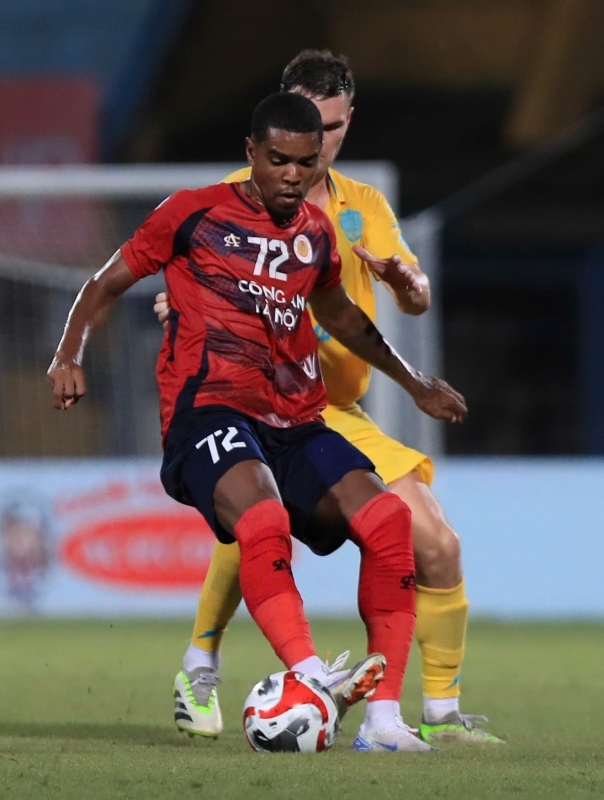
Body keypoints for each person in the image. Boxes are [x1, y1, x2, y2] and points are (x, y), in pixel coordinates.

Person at [47, 92, 467, 752]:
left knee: (389, 524)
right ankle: (308, 678)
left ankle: (384, 721)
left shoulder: (317, 234)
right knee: (263, 519)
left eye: (304, 164)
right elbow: (103, 283)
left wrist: (414, 384)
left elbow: (343, 318)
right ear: (251, 154)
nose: (293, 176)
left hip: (295, 419)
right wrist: (67, 354)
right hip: (208, 412)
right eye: (278, 161)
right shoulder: (192, 213)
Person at [161, 51, 503, 745]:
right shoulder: (234, 196)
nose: (319, 145)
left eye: (335, 128)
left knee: (435, 540)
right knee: (259, 512)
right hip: (252, 405)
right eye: (309, 125)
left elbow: (411, 291)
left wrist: (411, 288)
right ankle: (201, 663)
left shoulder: (361, 206)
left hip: (337, 411)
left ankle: (435, 714)